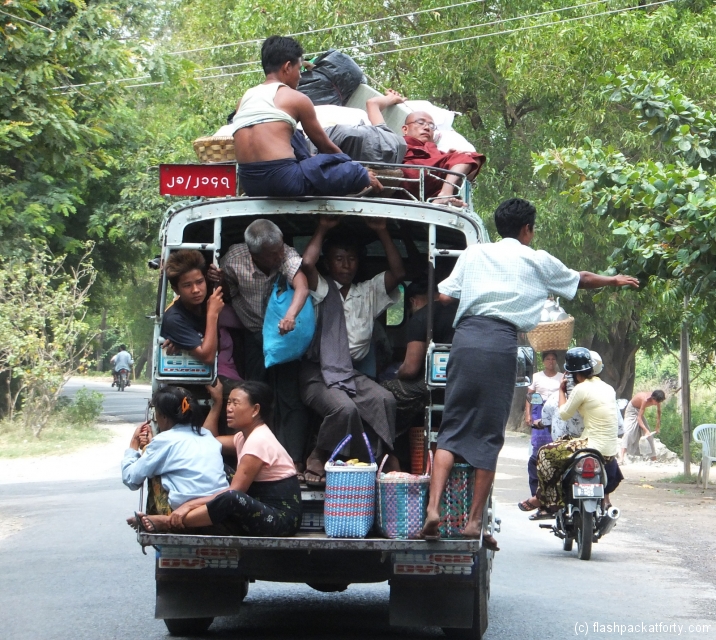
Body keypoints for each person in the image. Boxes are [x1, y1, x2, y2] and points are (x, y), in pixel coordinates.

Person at [420, 198, 639, 549]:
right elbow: (579, 279)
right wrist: (613, 280)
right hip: (500, 344)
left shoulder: (474, 254)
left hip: (466, 341)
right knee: (488, 436)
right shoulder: (536, 260)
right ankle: (474, 521)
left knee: (451, 429)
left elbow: (445, 296)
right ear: (527, 230)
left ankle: (432, 510)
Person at [299, 215, 406, 486]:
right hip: (316, 373)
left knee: (385, 400)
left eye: (351, 259)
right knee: (344, 409)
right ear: (328, 262)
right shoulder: (321, 288)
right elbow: (307, 263)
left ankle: (375, 459)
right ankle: (318, 455)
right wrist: (322, 227)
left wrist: (383, 232)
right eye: (338, 258)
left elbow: (398, 274)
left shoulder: (367, 291)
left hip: (348, 373)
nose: (346, 265)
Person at [132, 381, 302, 538]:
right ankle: (198, 517)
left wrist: (189, 505)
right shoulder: (244, 437)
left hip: (280, 519)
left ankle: (169, 522)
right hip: (259, 507)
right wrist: (217, 402)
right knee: (220, 467)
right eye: (229, 403)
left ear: (255, 410)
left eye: (236, 403)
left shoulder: (259, 441)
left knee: (231, 497)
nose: (230, 408)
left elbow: (235, 492)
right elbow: (207, 440)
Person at [229, 35, 381, 197]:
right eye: (299, 69)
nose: (300, 77)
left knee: (295, 136)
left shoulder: (243, 100)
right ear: (287, 67)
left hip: (250, 183)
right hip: (284, 180)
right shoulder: (296, 98)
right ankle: (362, 177)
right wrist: (355, 170)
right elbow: (326, 147)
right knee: (350, 170)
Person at [212, 219, 310, 468]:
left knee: (289, 398)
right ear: (255, 254)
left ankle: (293, 460)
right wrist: (217, 280)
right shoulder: (234, 259)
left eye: (280, 250)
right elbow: (226, 290)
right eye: (272, 254)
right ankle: (252, 459)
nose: (279, 256)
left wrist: (290, 315)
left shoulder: (286, 254)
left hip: (284, 339)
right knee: (254, 400)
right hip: (254, 336)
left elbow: (302, 287)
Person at [520, 347, 624, 518]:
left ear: (572, 373)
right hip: (609, 450)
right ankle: (605, 498)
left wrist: (561, 391)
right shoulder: (608, 389)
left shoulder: (580, 389)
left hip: (590, 444)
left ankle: (544, 499)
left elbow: (563, 413)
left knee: (545, 453)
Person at [123, 386, 229, 525]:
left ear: (164, 417)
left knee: (153, 471)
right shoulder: (206, 435)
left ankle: (159, 520)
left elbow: (131, 479)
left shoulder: (164, 440)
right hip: (215, 508)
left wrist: (133, 446)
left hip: (182, 512)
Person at [381, 276, 457, 435]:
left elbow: (410, 369)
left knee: (384, 390)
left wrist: (398, 372)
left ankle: (392, 442)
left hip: (432, 388)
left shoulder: (421, 317)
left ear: (413, 301)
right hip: (459, 382)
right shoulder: (459, 310)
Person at [160, 249, 228, 371]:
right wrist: (212, 314)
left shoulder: (205, 300)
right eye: (187, 285)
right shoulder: (174, 318)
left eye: (199, 282)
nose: (195, 290)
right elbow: (208, 358)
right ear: (176, 290)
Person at [401, 111, 486, 205]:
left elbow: (437, 161)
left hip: (432, 182)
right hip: (410, 174)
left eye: (431, 126)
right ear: (405, 129)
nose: (426, 128)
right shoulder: (398, 143)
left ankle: (445, 193)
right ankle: (446, 194)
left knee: (472, 157)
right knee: (461, 159)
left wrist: (447, 158)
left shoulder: (434, 150)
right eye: (420, 123)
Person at [310, 89, 408, 164]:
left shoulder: (388, 138)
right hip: (334, 138)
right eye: (420, 122)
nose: (424, 127)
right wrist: (391, 97)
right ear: (405, 129)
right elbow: (372, 103)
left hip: (331, 143)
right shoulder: (385, 134)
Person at [521, 351, 562, 499]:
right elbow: (530, 396)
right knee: (538, 447)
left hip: (556, 411)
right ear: (544, 361)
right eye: (548, 359)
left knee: (555, 442)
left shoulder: (561, 377)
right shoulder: (537, 377)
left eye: (553, 359)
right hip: (539, 409)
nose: (550, 361)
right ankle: (537, 493)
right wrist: (528, 414)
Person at [620, 389, 666, 463]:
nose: (657, 403)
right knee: (628, 433)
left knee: (649, 436)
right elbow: (639, 418)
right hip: (632, 410)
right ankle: (621, 457)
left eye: (659, 402)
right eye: (657, 402)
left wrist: (657, 426)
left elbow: (658, 411)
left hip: (639, 411)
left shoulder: (657, 399)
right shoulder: (645, 399)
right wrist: (645, 430)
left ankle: (654, 459)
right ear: (653, 398)